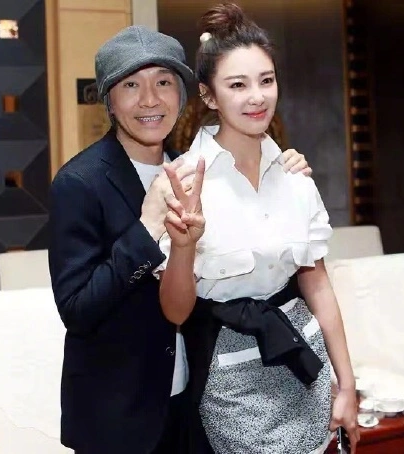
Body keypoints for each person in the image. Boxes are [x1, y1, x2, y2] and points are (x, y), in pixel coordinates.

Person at [48, 25, 313, 454]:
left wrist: (282, 176)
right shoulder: (79, 183)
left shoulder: (194, 170)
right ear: (109, 100)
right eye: (131, 85)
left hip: (192, 403)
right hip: (117, 418)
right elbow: (76, 310)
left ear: (183, 94)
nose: (150, 100)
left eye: (164, 82)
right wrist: (146, 227)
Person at [156, 3, 360, 454]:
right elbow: (174, 312)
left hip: (305, 362)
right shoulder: (183, 182)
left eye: (266, 81)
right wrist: (185, 245)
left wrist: (347, 385)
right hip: (229, 379)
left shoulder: (295, 177)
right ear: (209, 96)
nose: (257, 97)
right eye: (238, 85)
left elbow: (318, 285)